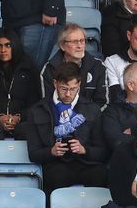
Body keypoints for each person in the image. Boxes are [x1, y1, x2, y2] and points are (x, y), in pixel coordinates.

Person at [23, 61, 107, 193]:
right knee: (56, 176)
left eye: (73, 89)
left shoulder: (93, 110)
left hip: (87, 164)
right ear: (55, 83)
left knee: (100, 175)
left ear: (79, 84)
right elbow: (33, 153)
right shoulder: (37, 110)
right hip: (56, 165)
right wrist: (51, 151)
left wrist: (84, 150)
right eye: (64, 88)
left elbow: (103, 151)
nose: (68, 94)